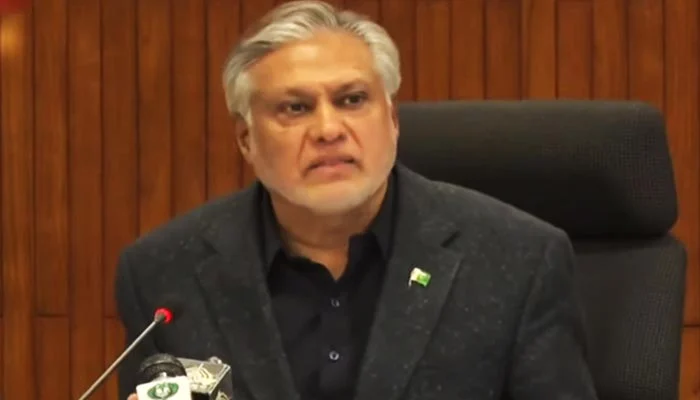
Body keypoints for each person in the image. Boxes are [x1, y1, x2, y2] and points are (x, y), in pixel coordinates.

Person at [118, 1, 599, 399]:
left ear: (392, 120)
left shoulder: (518, 260)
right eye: (295, 108)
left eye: (351, 100)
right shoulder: (164, 273)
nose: (328, 130)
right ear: (246, 140)